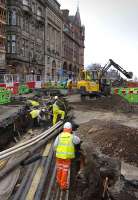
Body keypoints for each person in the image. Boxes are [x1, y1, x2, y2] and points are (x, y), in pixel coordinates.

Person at [54, 122, 80, 190]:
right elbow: (78, 141)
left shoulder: (59, 136)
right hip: (66, 157)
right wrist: (74, 135)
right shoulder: (72, 137)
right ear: (70, 129)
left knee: (59, 168)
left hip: (59, 156)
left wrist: (57, 152)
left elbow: (55, 145)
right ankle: (63, 186)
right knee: (65, 171)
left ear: (63, 129)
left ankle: (58, 181)